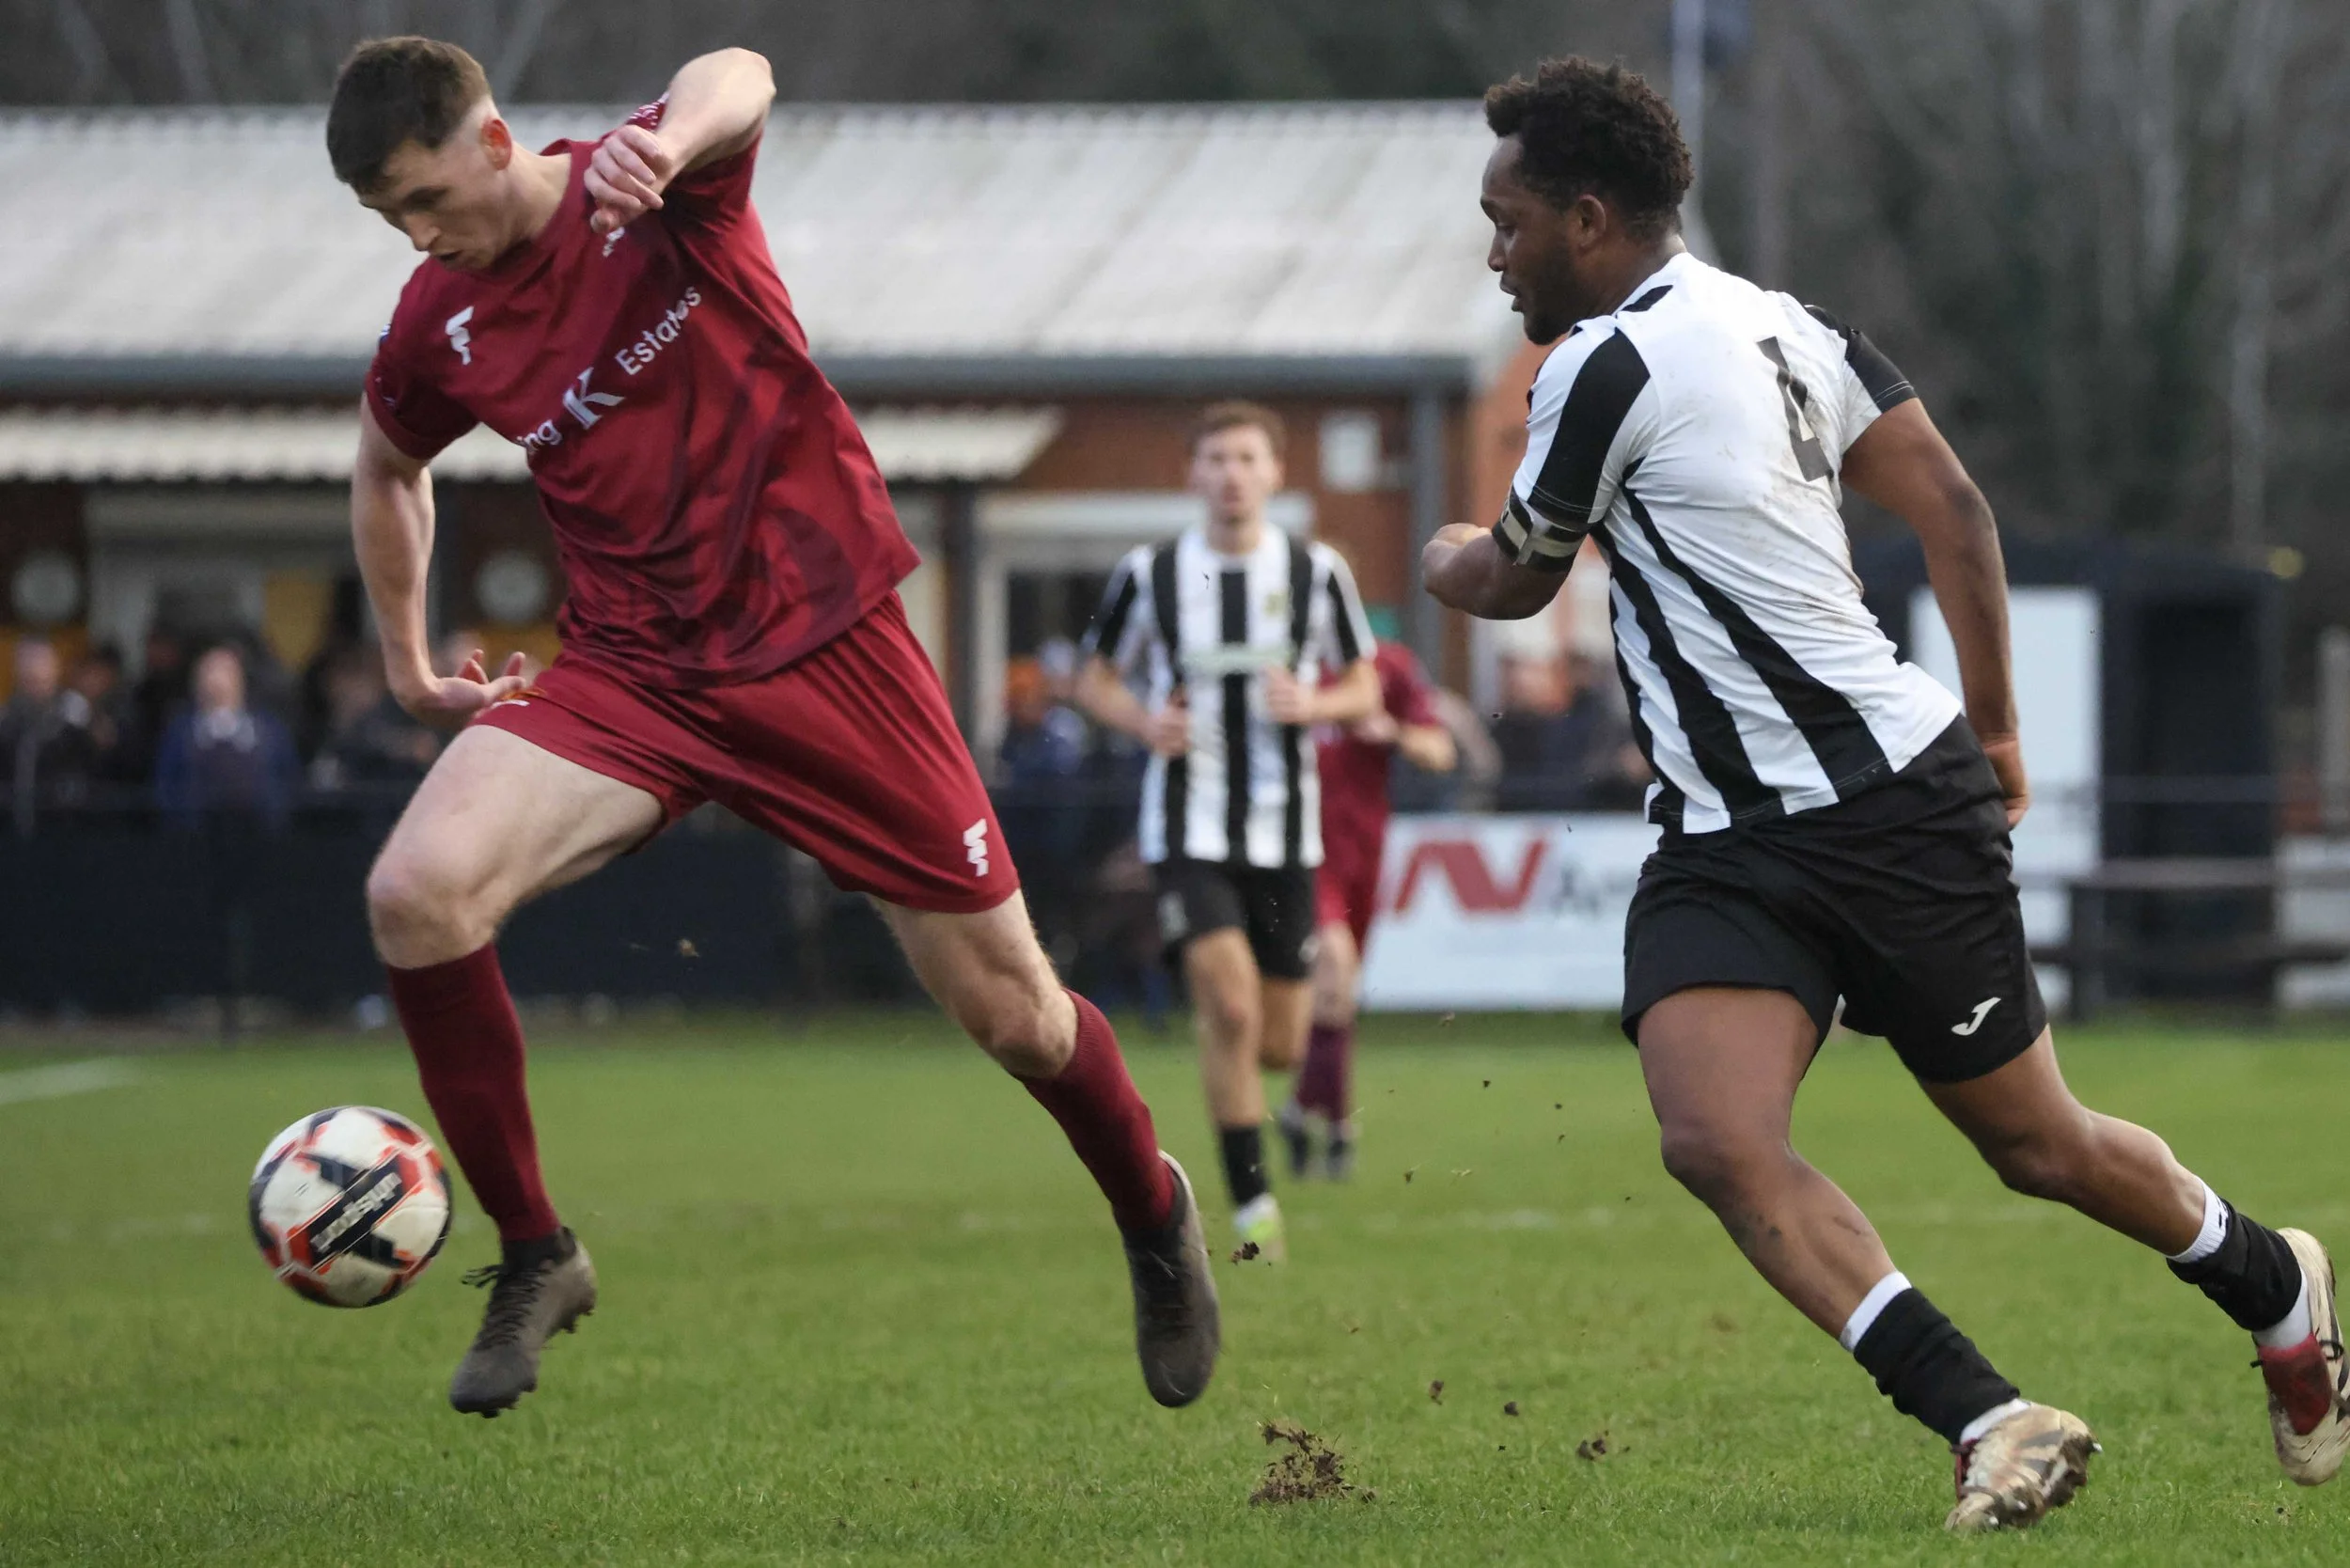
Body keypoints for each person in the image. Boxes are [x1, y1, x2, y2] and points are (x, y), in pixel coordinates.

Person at [1423, 57, 2343, 1531]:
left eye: (1506, 218)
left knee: (2040, 1146)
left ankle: (2272, 1284)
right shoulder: (1792, 324)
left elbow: (1515, 579)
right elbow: (1954, 510)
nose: (1494, 250)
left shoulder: (1602, 366)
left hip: (1881, 810)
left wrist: (1440, 546)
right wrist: (2001, 732)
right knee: (1715, 1139)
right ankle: (1991, 1418)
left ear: (1587, 218)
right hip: (1728, 841)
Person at [326, 38, 1215, 1418]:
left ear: (493, 140)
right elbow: (388, 465)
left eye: (423, 199)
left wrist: (671, 143)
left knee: (1019, 1019)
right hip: (635, 673)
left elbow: (740, 69)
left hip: (827, 647)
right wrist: (403, 663)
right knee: (417, 893)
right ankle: (534, 1252)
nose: (417, 235)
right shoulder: (438, 321)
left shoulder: (656, 190)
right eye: (390, 220)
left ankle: (1151, 1210)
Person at [1075, 402, 1379, 1261]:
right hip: (1186, 825)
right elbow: (1093, 680)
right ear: (1193, 474)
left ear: (1276, 473)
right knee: (1232, 1003)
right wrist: (1143, 724)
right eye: (1216, 458)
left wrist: (1314, 702)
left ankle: (1246, 1097)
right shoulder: (1153, 571)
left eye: (1248, 458)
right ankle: (1252, 1208)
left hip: (1286, 834)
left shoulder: (1316, 572)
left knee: (1277, 1040)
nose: (1232, 474)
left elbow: (1365, 689)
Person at [1278, 635, 1455, 1180]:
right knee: (1335, 970)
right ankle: (1334, 1123)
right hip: (1298, 849)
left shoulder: (1387, 666)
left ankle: (1311, 1114)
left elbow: (1440, 752)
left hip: (1364, 851)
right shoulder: (1282, 664)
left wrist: (1394, 732)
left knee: (1338, 997)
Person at [153, 646, 298, 831]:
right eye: (209, 672)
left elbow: (289, 780)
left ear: (241, 680)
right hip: (194, 840)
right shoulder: (180, 732)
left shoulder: (269, 730)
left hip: (261, 839)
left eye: (225, 672)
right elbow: (165, 786)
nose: (216, 681)